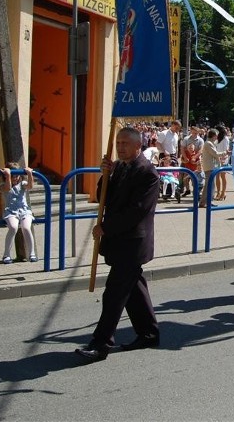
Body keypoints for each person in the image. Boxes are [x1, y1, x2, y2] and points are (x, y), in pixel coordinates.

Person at [76, 127, 160, 361]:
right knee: (134, 290)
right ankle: (149, 333)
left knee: (114, 293)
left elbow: (138, 211)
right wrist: (106, 175)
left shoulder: (147, 172)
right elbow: (105, 196)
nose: (120, 147)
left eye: (125, 143)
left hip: (133, 242)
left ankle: (101, 343)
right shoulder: (120, 167)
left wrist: (106, 227)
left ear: (137, 146)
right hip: (120, 241)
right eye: (118, 143)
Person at [0, 162, 37, 264]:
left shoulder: (22, 184)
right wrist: (8, 176)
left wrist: (29, 174)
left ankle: (32, 253)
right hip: (11, 211)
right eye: (13, 176)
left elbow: (30, 186)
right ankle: (6, 255)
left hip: (24, 211)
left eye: (17, 176)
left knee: (26, 227)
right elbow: (8, 188)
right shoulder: (2, 185)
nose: (15, 178)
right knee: (13, 227)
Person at [200, 129, 227, 208]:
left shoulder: (210, 143)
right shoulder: (208, 143)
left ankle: (206, 201)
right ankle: (205, 202)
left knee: (210, 185)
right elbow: (215, 154)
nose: (217, 137)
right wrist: (225, 152)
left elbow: (214, 155)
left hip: (210, 166)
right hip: (209, 167)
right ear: (214, 135)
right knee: (209, 185)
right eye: (216, 135)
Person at [214, 125, 231, 201]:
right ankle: (218, 192)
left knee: (223, 176)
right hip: (217, 158)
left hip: (223, 158)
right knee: (217, 176)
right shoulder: (216, 139)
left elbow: (226, 149)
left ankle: (223, 192)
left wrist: (223, 157)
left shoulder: (225, 139)